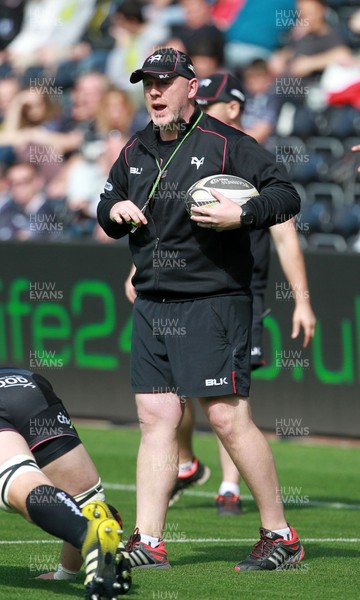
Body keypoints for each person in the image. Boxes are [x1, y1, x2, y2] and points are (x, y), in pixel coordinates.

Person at [97, 47, 304, 572]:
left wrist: (245, 211)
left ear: (192, 87)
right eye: (147, 83)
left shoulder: (226, 143)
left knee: (227, 418)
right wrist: (114, 211)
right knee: (156, 416)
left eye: (164, 83)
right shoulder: (136, 147)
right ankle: (149, 539)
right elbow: (106, 204)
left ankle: (281, 535)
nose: (154, 92)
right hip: (152, 303)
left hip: (213, 302)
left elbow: (287, 194)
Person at [170, 72, 316, 514]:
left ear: (232, 108)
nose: (200, 112)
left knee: (229, 398)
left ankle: (230, 488)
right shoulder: (190, 152)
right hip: (185, 291)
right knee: (174, 391)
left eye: (209, 104)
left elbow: (286, 235)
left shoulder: (249, 160)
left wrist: (302, 301)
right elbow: (168, 224)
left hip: (237, 294)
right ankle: (187, 464)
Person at [0, 366, 131, 596]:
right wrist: (66, 574)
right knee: (88, 501)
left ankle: (91, 538)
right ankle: (93, 549)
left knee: (22, 484)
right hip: (25, 386)